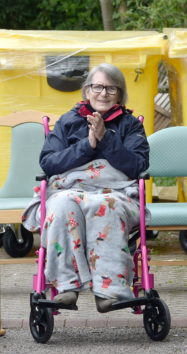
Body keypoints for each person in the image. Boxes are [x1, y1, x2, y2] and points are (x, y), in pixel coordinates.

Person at [22, 63, 149, 313]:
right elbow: (48, 162)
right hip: (69, 189)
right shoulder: (68, 122)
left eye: (111, 88)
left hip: (116, 192)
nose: (103, 93)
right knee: (60, 205)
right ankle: (66, 286)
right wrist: (88, 144)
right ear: (86, 91)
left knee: (104, 206)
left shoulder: (130, 125)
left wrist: (106, 138)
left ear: (120, 95)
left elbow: (137, 165)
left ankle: (109, 291)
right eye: (97, 86)